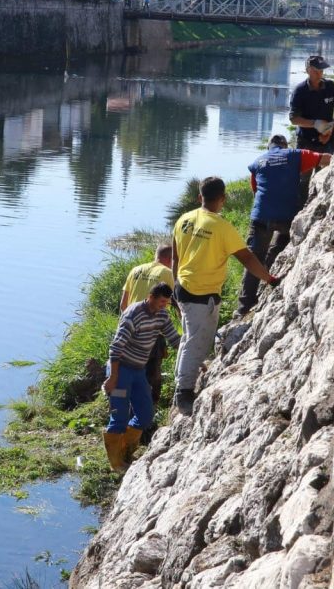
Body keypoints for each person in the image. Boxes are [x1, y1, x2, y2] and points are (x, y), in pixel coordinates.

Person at [171, 177, 279, 416]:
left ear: (200, 197)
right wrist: (269, 279)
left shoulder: (184, 220)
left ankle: (180, 383)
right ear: (223, 199)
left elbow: (175, 257)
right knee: (196, 342)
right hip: (202, 292)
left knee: (188, 337)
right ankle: (184, 392)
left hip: (182, 287)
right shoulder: (221, 227)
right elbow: (247, 258)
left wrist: (173, 286)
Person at [237, 134, 330, 316]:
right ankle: (272, 272)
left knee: (253, 258)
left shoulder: (258, 162)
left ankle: (243, 308)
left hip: (261, 217)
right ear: (285, 146)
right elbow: (325, 159)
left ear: (269, 148)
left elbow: (255, 190)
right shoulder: (295, 154)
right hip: (287, 217)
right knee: (281, 242)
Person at [102, 282, 181, 472]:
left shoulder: (162, 315)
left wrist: (193, 358)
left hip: (138, 371)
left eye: (166, 303)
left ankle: (126, 451)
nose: (163, 306)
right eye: (161, 301)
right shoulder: (133, 314)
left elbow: (174, 338)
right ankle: (117, 463)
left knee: (145, 415)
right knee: (119, 417)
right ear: (151, 297)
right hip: (120, 371)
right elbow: (116, 347)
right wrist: (112, 377)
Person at [119, 245, 175, 404]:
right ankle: (148, 412)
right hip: (152, 332)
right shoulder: (168, 273)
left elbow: (123, 304)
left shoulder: (136, 269)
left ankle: (127, 407)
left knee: (129, 371)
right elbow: (177, 303)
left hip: (129, 329)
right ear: (170, 259)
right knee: (152, 373)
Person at [289, 55, 334, 155]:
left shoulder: (330, 86)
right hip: (306, 141)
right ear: (308, 70)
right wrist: (316, 124)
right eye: (316, 70)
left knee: (328, 170)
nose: (319, 74)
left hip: (328, 140)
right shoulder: (300, 91)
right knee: (304, 170)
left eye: (321, 70)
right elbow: (294, 119)